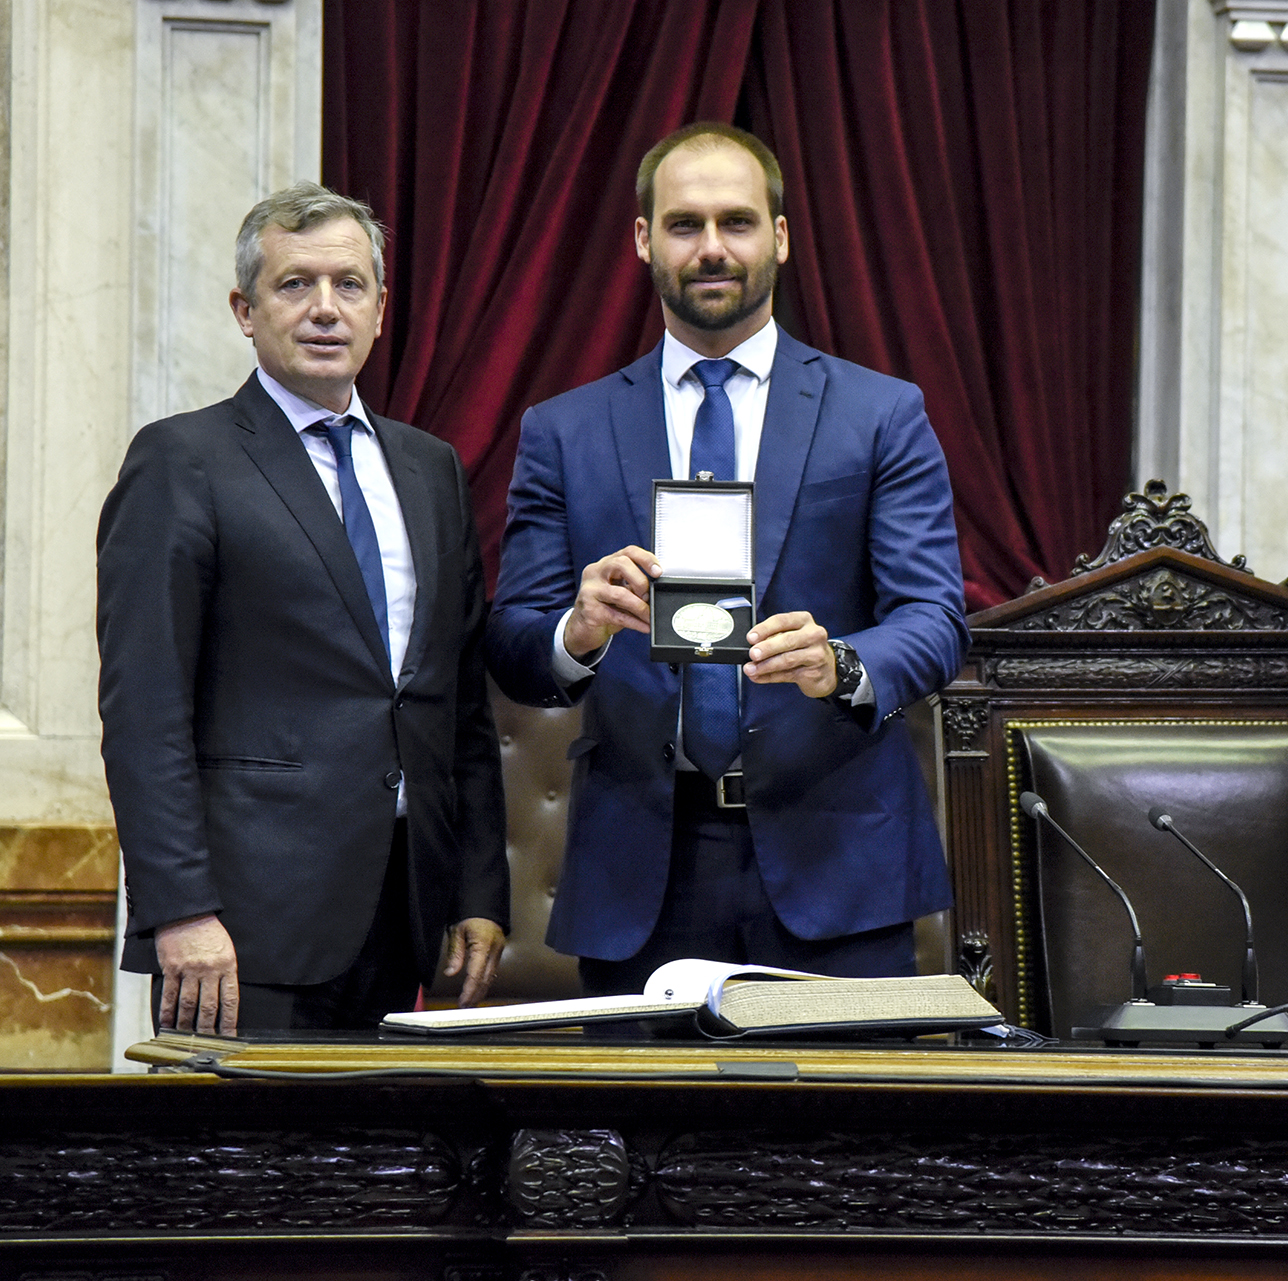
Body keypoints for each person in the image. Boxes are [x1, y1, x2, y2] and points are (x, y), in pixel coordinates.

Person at [486, 123, 967, 994]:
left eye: (738, 222)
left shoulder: (882, 414)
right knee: (639, 1133)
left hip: (839, 859)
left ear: (780, 237)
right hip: (640, 871)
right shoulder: (563, 430)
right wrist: (580, 628)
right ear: (643, 240)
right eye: (684, 224)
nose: (712, 248)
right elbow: (517, 642)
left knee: (842, 1133)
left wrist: (841, 662)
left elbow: (935, 620)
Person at [97, 183, 509, 1036]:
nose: (325, 309)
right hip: (241, 936)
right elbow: (145, 711)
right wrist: (180, 911)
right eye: (295, 286)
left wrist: (476, 890)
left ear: (382, 307)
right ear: (245, 310)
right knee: (244, 1171)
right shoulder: (183, 460)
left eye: (349, 285)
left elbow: (459, 706)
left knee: (389, 1171)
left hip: (405, 917)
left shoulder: (430, 469)